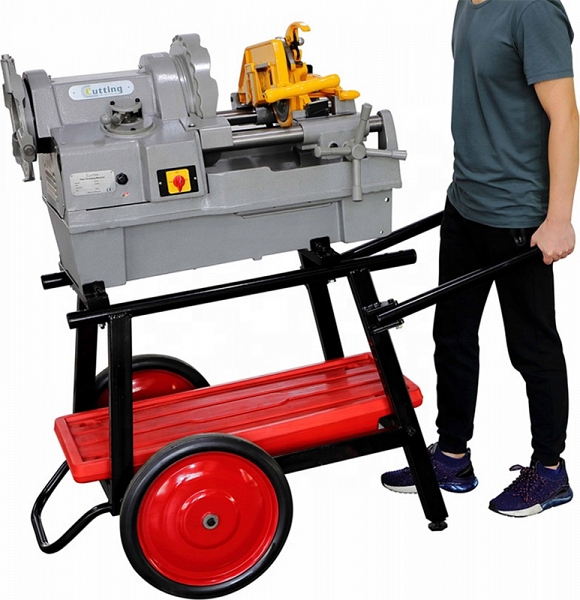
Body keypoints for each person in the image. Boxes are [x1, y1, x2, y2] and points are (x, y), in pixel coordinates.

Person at [381, 0, 578, 517]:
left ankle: (550, 472)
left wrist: (559, 218)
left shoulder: (532, 12)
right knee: (452, 337)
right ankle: (452, 457)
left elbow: (565, 116)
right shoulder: (468, 5)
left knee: (532, 347)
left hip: (519, 216)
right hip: (465, 203)